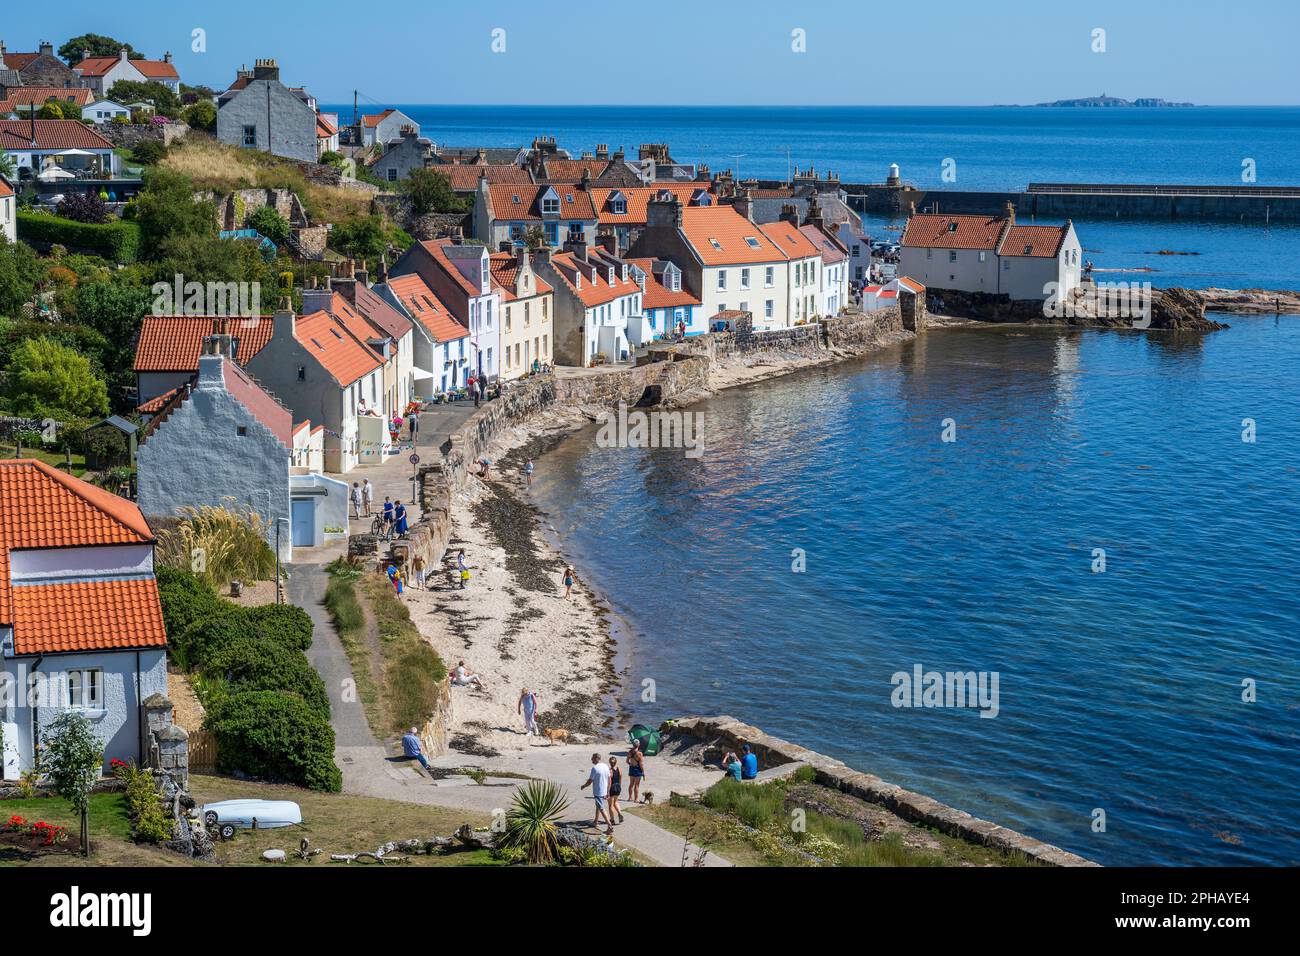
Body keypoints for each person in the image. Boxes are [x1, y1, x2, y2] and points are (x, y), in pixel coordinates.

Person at [580, 752, 613, 835]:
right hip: (604, 791)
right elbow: (609, 779)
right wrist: (608, 791)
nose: (591, 759)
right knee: (598, 806)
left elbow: (590, 781)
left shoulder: (595, 768)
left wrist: (584, 786)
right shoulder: (605, 766)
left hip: (598, 791)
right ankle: (595, 821)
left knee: (601, 808)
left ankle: (609, 826)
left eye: (592, 758)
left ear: (596, 758)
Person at [608, 755, 624, 825]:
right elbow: (620, 778)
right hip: (617, 787)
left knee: (610, 805)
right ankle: (620, 813)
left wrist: (608, 791)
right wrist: (620, 787)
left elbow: (609, 782)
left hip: (612, 788)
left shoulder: (610, 771)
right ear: (616, 762)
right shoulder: (619, 769)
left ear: (610, 762)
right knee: (616, 802)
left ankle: (612, 820)